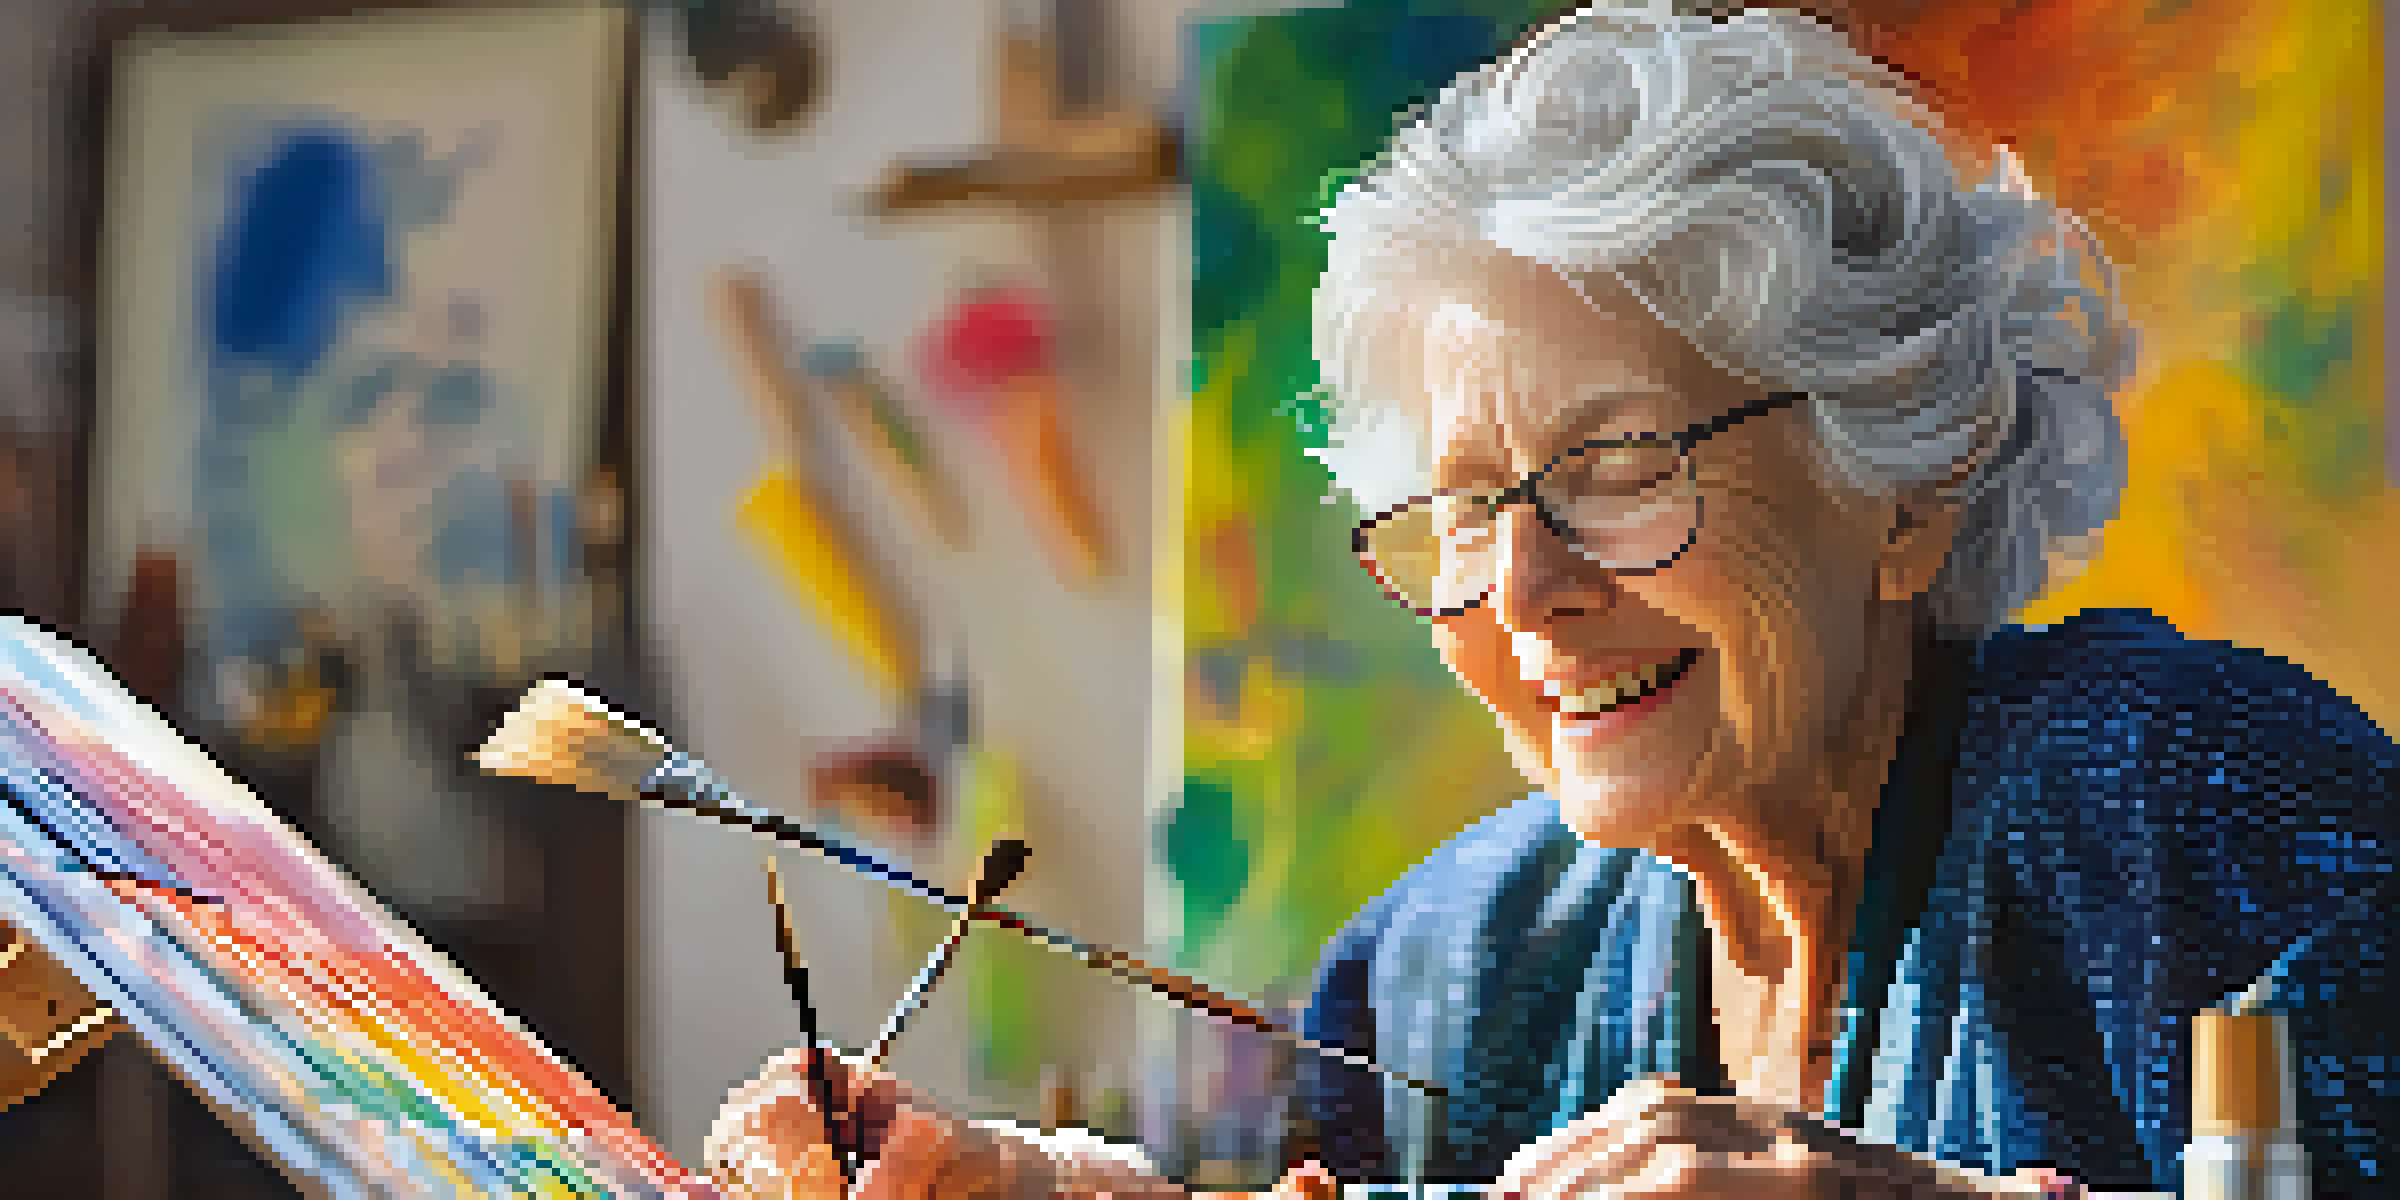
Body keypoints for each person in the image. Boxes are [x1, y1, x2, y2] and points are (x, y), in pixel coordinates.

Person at [705, 7, 2394, 1198]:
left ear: (1908, 481)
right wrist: (1035, 1193)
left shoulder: (2205, 820)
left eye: (1624, 465)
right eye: (1456, 511)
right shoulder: (1455, 967)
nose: (1520, 587)